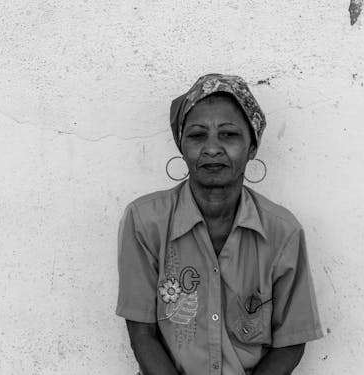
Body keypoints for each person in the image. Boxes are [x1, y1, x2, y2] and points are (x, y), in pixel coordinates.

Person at [116, 73, 323, 375]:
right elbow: (142, 335)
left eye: (228, 135)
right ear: (181, 145)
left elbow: (290, 342)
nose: (212, 149)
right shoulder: (145, 221)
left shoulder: (282, 231)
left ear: (252, 147)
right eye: (198, 135)